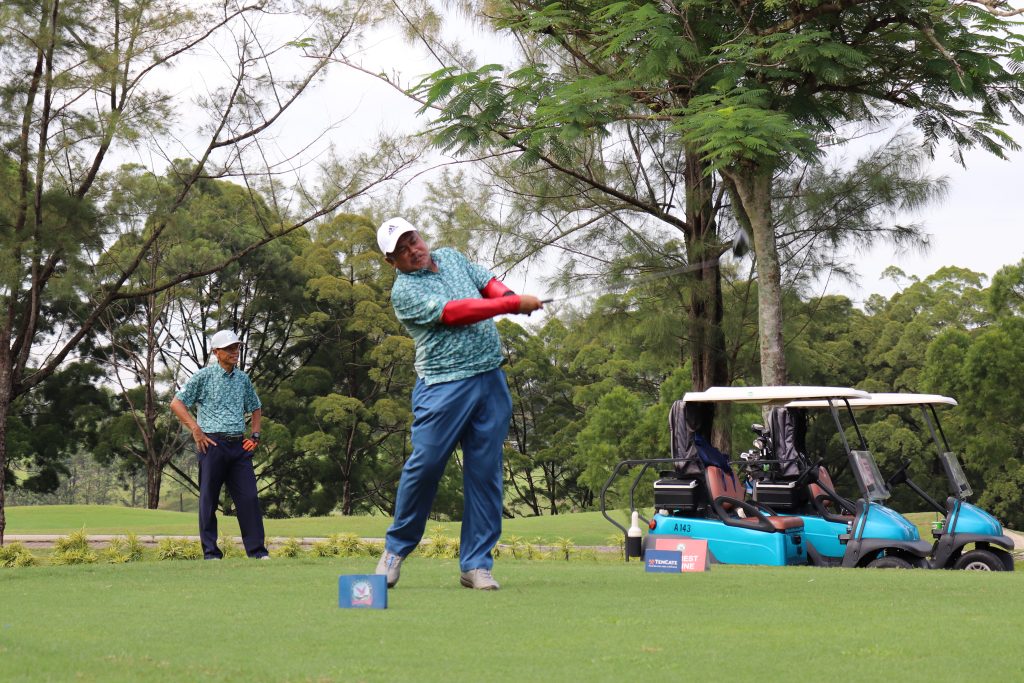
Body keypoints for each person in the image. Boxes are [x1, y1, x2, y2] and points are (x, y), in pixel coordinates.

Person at [375, 217, 543, 590]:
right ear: (391, 261)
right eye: (401, 250)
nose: (413, 250)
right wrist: (510, 305)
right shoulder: (404, 291)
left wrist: (508, 296)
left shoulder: (451, 256)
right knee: (425, 466)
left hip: (490, 379)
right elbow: (455, 312)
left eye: (413, 240)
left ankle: (476, 565)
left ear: (420, 235)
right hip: (443, 387)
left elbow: (486, 282)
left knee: (485, 473)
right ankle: (395, 550)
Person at [170, 330, 269, 560]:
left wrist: (255, 435)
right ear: (216, 352)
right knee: (209, 500)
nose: (235, 352)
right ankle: (211, 553)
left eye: (236, 347)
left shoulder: (243, 379)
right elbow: (176, 403)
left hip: (239, 447)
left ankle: (257, 552)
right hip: (212, 445)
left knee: (249, 499)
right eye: (229, 348)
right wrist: (196, 430)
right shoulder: (203, 376)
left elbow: (256, 406)